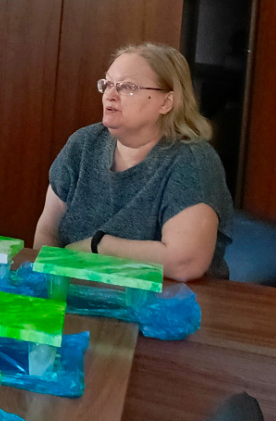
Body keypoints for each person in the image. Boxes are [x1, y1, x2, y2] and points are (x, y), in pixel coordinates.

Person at [33, 43, 233, 281]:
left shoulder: (192, 161)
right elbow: (48, 231)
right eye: (107, 84)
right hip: (74, 289)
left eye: (127, 87)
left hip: (168, 299)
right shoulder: (84, 144)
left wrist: (99, 246)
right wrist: (46, 283)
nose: (110, 95)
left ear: (166, 102)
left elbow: (184, 263)